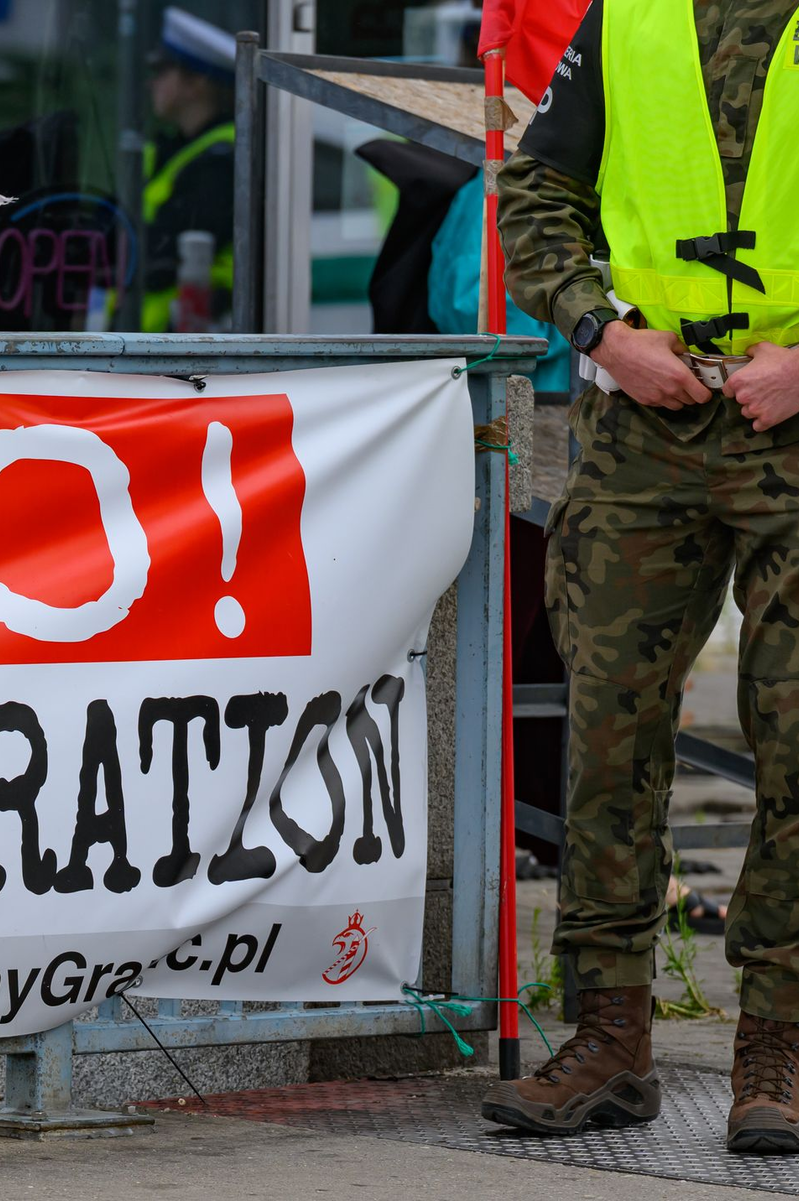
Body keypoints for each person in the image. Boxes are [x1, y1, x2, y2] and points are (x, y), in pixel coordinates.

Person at [480, 1, 799, 1154]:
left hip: (795, 416)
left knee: (797, 733)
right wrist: (603, 333)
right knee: (607, 730)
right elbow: (538, 193)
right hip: (646, 420)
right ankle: (610, 1036)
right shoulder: (630, 13)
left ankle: (781, 1042)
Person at [141, 7, 236, 332]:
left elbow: (160, 255)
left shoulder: (219, 162)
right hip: (150, 343)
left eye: (162, 70)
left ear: (196, 83)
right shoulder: (176, 150)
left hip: (179, 346)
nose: (151, 82)